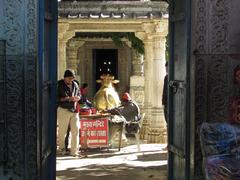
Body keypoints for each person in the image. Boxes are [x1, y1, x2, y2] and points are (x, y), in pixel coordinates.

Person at [57, 69, 81, 156]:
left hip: (74, 110)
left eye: (72, 78)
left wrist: (78, 97)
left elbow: (79, 94)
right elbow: (57, 98)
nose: (71, 80)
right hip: (64, 110)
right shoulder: (59, 85)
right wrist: (68, 98)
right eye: (69, 78)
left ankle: (74, 151)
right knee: (63, 132)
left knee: (76, 130)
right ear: (65, 78)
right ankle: (62, 149)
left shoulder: (75, 84)